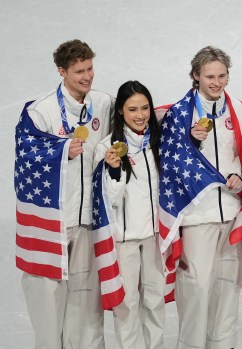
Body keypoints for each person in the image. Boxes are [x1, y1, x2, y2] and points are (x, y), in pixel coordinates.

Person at [15, 39, 113, 348]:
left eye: (90, 68)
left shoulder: (103, 103)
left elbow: (136, 116)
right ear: (61, 71)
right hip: (52, 226)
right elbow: (25, 156)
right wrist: (61, 151)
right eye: (79, 71)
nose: (87, 76)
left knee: (86, 312)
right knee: (48, 308)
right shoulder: (40, 110)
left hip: (87, 221)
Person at [173, 45, 242, 349]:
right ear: (196, 76)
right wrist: (189, 140)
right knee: (197, 286)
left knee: (227, 284)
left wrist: (241, 179)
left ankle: (223, 343)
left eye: (222, 76)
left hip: (231, 211)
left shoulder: (239, 109)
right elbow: (170, 161)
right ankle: (191, 344)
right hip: (197, 213)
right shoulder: (182, 112)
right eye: (209, 76)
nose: (216, 82)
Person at [93, 81, 165, 348]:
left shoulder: (156, 144)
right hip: (124, 240)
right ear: (121, 112)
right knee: (127, 304)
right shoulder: (107, 147)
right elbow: (109, 200)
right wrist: (114, 170)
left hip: (156, 236)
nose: (140, 115)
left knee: (155, 300)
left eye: (145, 108)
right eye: (132, 109)